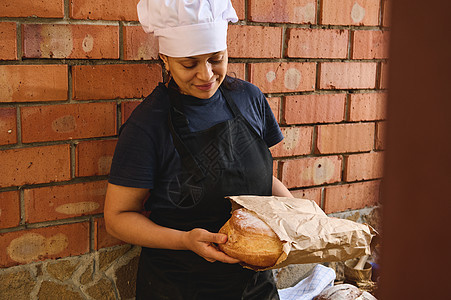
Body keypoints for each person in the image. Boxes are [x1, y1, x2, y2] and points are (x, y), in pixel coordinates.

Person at [104, 0, 293, 299]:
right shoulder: (148, 125)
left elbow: (261, 180)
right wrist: (185, 241)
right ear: (165, 59)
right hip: (180, 286)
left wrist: (300, 220)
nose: (206, 75)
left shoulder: (249, 98)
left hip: (256, 287)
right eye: (189, 64)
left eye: (216, 59)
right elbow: (118, 217)